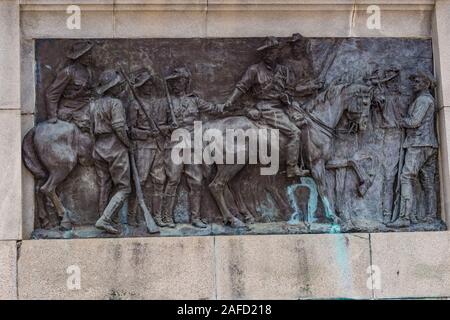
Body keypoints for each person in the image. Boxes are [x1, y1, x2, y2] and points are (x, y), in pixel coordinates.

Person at [221, 37, 307, 178]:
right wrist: (230, 101)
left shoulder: (283, 71)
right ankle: (292, 168)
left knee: (307, 124)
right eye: (266, 53)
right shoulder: (254, 70)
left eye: (272, 52)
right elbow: (241, 87)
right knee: (295, 133)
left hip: (285, 107)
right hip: (267, 108)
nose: (269, 55)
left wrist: (286, 97)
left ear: (277, 53)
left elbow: (290, 90)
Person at [162, 67, 219, 228]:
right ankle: (166, 217)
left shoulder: (195, 100)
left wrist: (233, 106)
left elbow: (215, 109)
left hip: (193, 144)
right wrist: (168, 127)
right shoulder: (166, 102)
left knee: (196, 181)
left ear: (186, 82)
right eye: (174, 82)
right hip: (174, 145)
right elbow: (158, 126)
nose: (177, 84)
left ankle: (195, 217)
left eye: (180, 81)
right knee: (173, 180)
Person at [388, 70, 438, 227]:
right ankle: (430, 216)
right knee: (427, 182)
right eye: (414, 81)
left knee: (406, 177)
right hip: (428, 145)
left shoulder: (424, 100)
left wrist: (400, 121)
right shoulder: (425, 99)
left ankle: (405, 218)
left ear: (426, 83)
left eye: (417, 81)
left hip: (418, 144)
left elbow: (414, 122)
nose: (414, 84)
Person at [127, 68, 171, 227]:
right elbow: (130, 130)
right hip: (143, 148)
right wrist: (145, 133)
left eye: (151, 84)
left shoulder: (162, 103)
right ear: (140, 87)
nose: (149, 87)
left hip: (159, 146)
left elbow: (168, 125)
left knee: (160, 181)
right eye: (146, 84)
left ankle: (157, 216)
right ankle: (133, 216)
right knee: (140, 181)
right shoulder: (134, 104)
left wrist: (166, 128)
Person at [91, 69, 132, 234]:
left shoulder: (94, 104)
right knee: (124, 188)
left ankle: (103, 217)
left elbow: (90, 129)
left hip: (99, 147)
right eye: (117, 85)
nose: (120, 87)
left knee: (104, 185)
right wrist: (128, 144)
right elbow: (119, 127)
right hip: (115, 146)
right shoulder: (116, 103)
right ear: (112, 87)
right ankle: (105, 219)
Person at [45, 41, 95, 131]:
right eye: (87, 54)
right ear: (79, 56)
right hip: (71, 110)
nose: (90, 56)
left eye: (90, 53)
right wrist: (52, 117)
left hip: (86, 106)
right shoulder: (68, 72)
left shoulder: (89, 71)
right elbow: (51, 94)